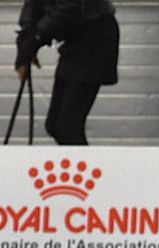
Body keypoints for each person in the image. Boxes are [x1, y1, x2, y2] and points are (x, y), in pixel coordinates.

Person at [14, 0, 120, 144]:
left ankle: (82, 158)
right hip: (75, 36)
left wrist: (35, 38)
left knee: (67, 128)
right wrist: (26, 41)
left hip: (94, 37)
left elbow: (69, 8)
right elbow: (33, 4)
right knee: (54, 125)